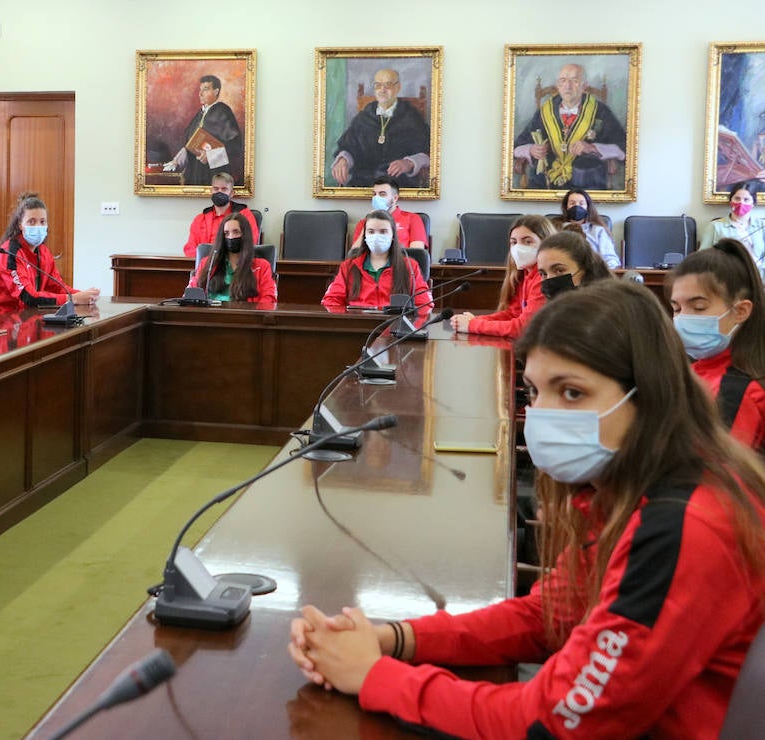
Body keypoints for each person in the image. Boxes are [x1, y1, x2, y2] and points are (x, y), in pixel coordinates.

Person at [288, 279, 765, 738]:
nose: (545, 414)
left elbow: (550, 723)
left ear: (648, 396)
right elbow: (547, 616)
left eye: (572, 392)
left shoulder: (685, 526)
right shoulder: (627, 486)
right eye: (535, 392)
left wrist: (374, 677)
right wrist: (392, 637)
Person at [670, 238, 765, 451]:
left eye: (699, 307)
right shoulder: (697, 368)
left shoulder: (738, 391)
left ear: (740, 311)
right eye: (676, 308)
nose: (683, 319)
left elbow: (714, 476)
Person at [513, 63, 627, 190]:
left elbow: (624, 148)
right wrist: (531, 149)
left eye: (575, 81)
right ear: (558, 86)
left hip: (586, 183)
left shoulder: (600, 111)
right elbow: (517, 146)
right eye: (563, 81)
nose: (568, 86)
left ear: (584, 86)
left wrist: (593, 148)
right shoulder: (544, 111)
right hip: (545, 182)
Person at [0, 193, 100, 314]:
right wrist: (73, 299)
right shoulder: (9, 253)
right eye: (31, 222)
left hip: (30, 315)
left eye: (42, 222)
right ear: (20, 225)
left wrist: (84, 295)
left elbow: (57, 287)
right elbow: (29, 297)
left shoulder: (43, 251)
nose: (38, 226)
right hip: (3, 320)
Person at [452, 215, 556, 337]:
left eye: (528, 241)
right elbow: (513, 314)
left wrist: (472, 325)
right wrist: (476, 320)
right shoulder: (525, 273)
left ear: (546, 243)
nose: (518, 248)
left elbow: (523, 328)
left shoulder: (547, 278)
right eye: (514, 242)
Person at [330, 69, 430, 188]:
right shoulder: (364, 116)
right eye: (378, 85)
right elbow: (350, 146)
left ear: (398, 87)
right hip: (363, 183)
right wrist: (343, 160)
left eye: (388, 85)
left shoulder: (411, 116)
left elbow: (426, 153)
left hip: (398, 185)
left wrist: (408, 163)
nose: (382, 90)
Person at [321, 209, 431, 311]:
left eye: (383, 231)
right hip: (357, 325)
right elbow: (330, 301)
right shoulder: (349, 266)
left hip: (396, 327)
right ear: (365, 236)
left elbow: (425, 304)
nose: (376, 236)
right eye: (371, 232)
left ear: (393, 235)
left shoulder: (410, 266)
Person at [160, 74, 244, 186]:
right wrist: (177, 161)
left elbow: (235, 145)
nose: (200, 93)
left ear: (216, 91)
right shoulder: (200, 114)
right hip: (195, 171)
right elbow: (189, 144)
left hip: (214, 173)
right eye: (200, 90)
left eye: (205, 89)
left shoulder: (223, 111)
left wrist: (209, 156)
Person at [188, 212, 277, 304]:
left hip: (245, 316)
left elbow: (269, 299)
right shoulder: (207, 263)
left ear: (245, 235)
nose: (231, 237)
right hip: (210, 316)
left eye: (236, 232)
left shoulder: (261, 266)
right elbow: (191, 294)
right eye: (226, 233)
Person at [181, 172, 261, 257]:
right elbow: (190, 249)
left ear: (231, 193)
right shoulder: (200, 219)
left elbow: (250, 245)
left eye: (224, 189)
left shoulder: (244, 215)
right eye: (216, 189)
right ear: (211, 191)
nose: (219, 192)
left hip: (235, 264)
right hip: (205, 265)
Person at [701, 181, 765, 274]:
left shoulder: (762, 226)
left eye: (746, 200)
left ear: (753, 203)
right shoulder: (715, 226)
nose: (741, 203)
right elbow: (703, 259)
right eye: (737, 199)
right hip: (726, 278)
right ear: (731, 201)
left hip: (759, 280)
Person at [349, 177, 428, 251]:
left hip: (401, 264)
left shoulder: (413, 219)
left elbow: (417, 254)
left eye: (382, 194)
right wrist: (368, 223)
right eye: (374, 194)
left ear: (395, 198)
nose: (376, 198)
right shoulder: (363, 222)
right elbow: (354, 254)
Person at [535, 230, 613, 301]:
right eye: (543, 274)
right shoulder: (555, 309)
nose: (549, 279)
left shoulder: (604, 310)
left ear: (585, 269)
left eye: (559, 270)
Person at [555, 188, 620, 269]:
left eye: (581, 204)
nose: (577, 206)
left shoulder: (598, 230)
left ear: (587, 207)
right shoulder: (555, 228)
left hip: (592, 275)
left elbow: (610, 260)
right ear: (566, 207)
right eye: (572, 203)